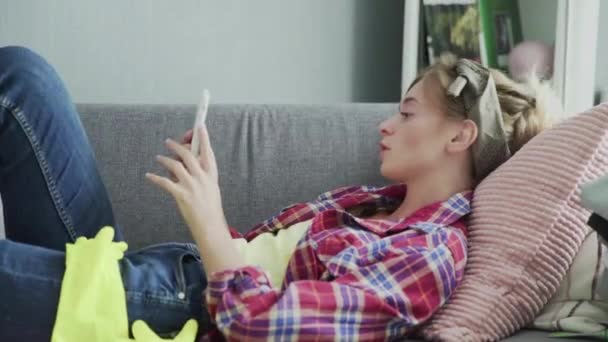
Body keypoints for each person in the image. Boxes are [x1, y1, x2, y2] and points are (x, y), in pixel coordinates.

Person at [0, 46, 558, 341]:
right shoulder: (368, 201)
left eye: (407, 113)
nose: (386, 125)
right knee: (24, 77)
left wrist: (210, 222)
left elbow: (262, 326)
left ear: (460, 136)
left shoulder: (432, 256)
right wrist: (208, 197)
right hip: (154, 275)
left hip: (179, 311)